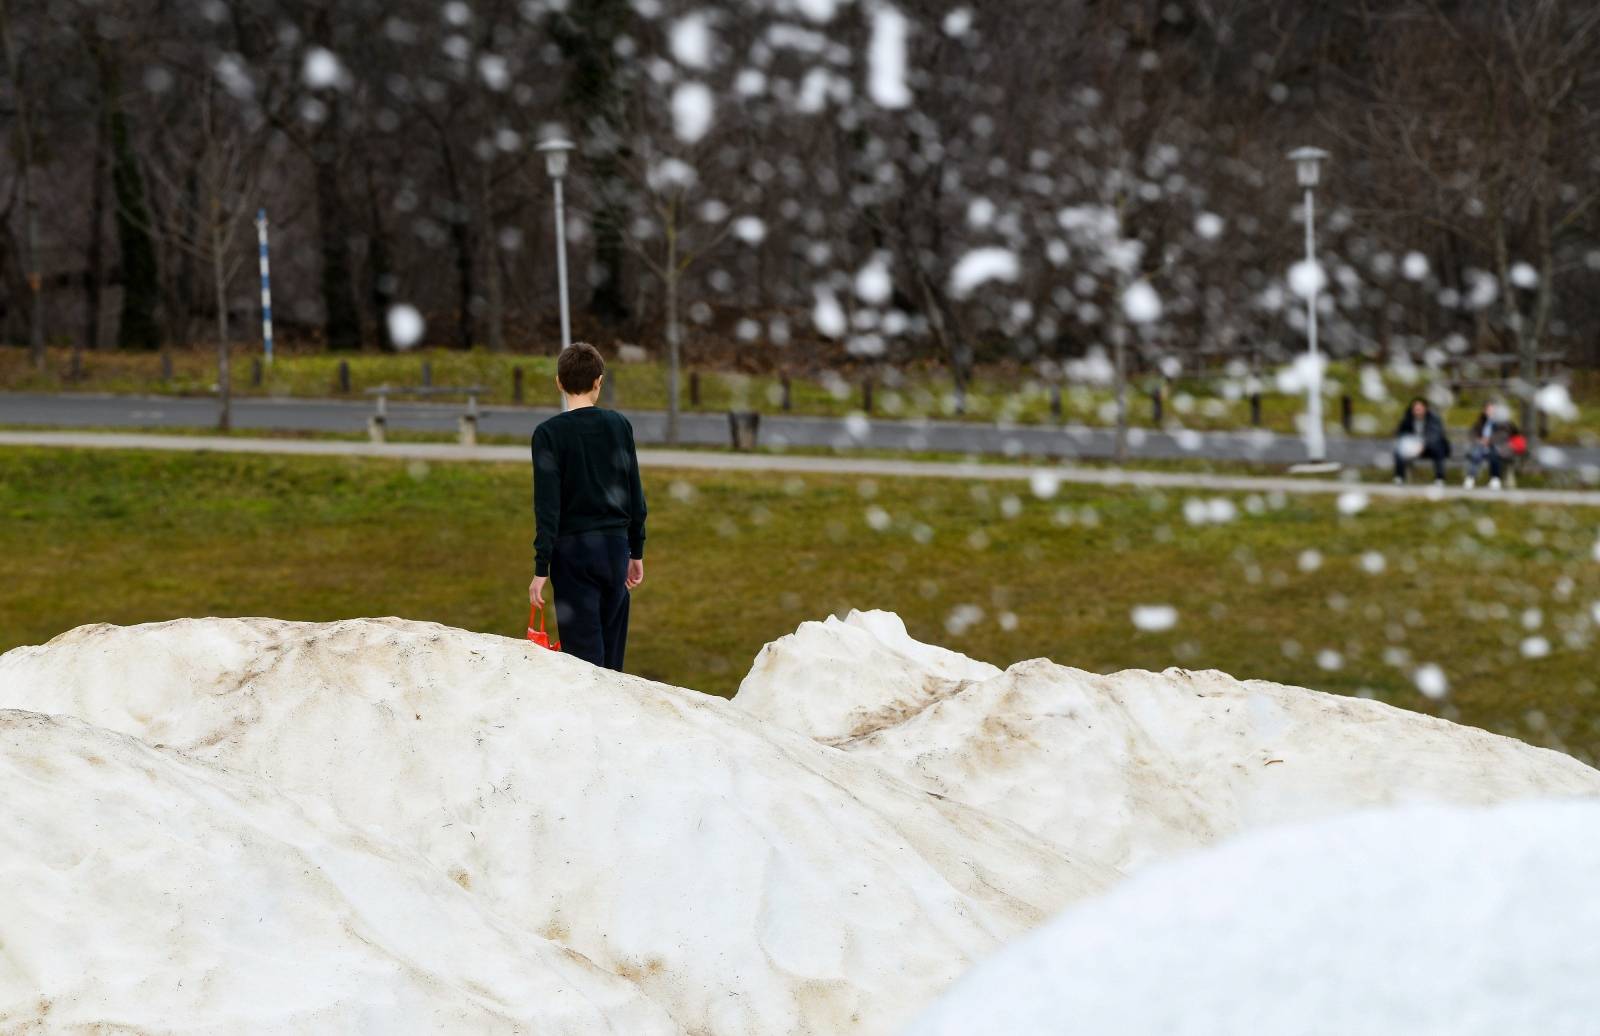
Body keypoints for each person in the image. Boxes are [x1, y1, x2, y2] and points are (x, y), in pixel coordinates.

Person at [528, 343, 647, 671]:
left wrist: (541, 568)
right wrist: (635, 551)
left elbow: (547, 507)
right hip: (614, 550)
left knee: (584, 669)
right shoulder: (619, 426)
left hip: (573, 554)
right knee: (612, 665)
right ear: (599, 381)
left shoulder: (549, 435)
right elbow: (635, 494)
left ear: (559, 383)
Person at [1392, 397, 1450, 485]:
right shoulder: (1407, 419)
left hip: (1429, 447)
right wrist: (1410, 444)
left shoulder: (1434, 419)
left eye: (1420, 408)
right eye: (1415, 408)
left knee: (1439, 448)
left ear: (1425, 408)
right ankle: (1399, 477)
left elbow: (1435, 435)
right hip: (1413, 447)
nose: (1417, 410)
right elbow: (1402, 434)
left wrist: (1424, 444)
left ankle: (1439, 478)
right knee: (1399, 450)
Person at [1463, 401, 1520, 491]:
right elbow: (1472, 433)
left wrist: (1489, 440)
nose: (1490, 412)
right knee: (1476, 454)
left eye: (1493, 410)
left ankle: (1495, 479)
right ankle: (1471, 478)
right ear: (1484, 411)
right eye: (1488, 410)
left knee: (1494, 454)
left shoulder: (1502, 421)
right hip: (1481, 446)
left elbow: (1504, 434)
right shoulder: (1481, 421)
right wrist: (1479, 440)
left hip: (1498, 446)